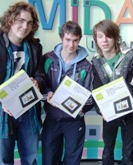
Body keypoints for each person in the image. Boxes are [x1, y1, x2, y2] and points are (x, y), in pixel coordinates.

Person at [0, 2, 46, 165]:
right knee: (4, 161)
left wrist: (37, 81)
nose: (25, 26)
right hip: (0, 113)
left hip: (28, 111)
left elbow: (41, 75)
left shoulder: (35, 47)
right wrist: (3, 100)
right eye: (20, 20)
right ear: (10, 20)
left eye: (29, 23)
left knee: (30, 159)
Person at [41, 20, 93, 165]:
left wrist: (84, 106)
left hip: (75, 121)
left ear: (79, 40)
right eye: (68, 40)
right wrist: (48, 93)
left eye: (75, 41)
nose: (71, 45)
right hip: (52, 118)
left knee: (72, 160)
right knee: (49, 159)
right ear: (61, 38)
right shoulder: (48, 59)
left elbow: (89, 95)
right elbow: (41, 84)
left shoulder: (86, 66)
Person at [92, 19, 133, 165]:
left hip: (129, 114)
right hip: (108, 115)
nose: (104, 40)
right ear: (96, 39)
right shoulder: (95, 61)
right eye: (100, 36)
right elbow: (96, 89)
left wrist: (131, 99)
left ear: (116, 37)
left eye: (108, 36)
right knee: (107, 151)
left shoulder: (129, 57)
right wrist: (101, 111)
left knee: (128, 154)